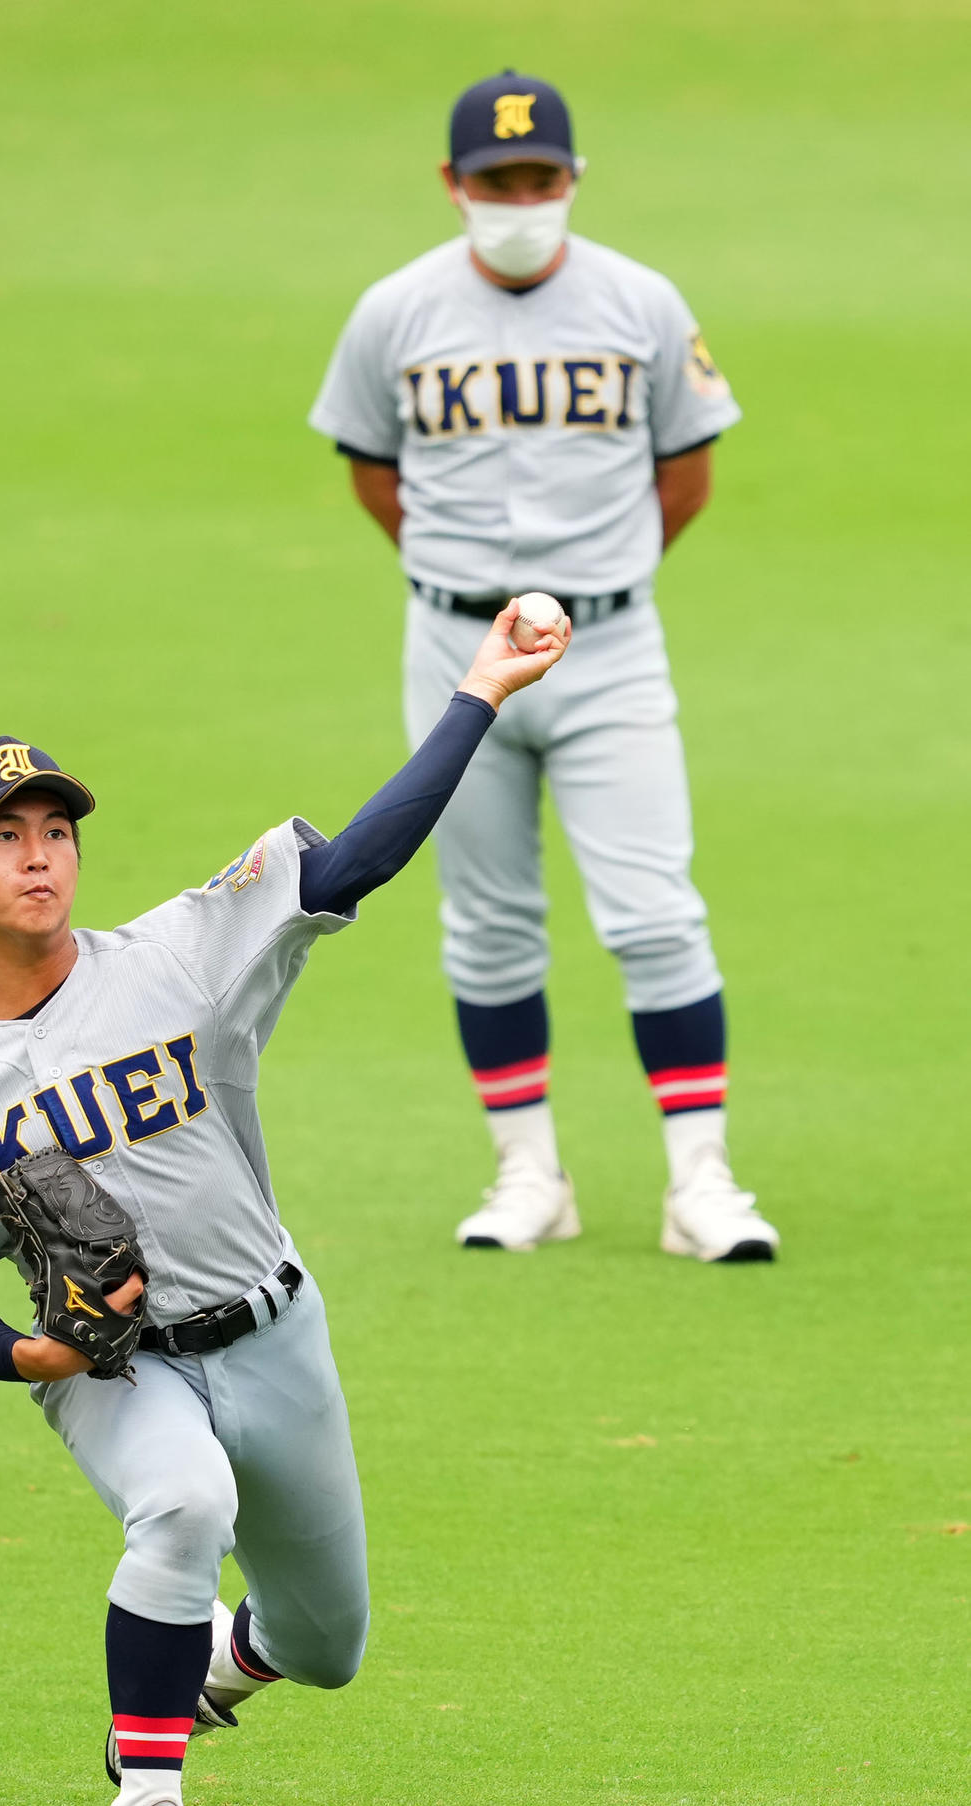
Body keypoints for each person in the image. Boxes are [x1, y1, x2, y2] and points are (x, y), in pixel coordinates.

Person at [0, 605, 569, 1806]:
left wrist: (479, 689)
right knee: (178, 1508)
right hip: (118, 1372)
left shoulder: (180, 956)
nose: (38, 857)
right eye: (2, 837)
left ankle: (210, 1672)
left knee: (327, 1643)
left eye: (55, 830)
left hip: (277, 1336)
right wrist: (37, 1354)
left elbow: (358, 859)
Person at [309, 69, 779, 1263]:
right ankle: (527, 1173)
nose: (519, 199)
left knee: (656, 913)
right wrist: (462, 590)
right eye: (495, 181)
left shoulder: (642, 303)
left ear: (573, 180)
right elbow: (371, 465)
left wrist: (597, 588)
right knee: (485, 922)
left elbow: (686, 469)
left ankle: (700, 1183)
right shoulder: (393, 312)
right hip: (454, 649)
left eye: (540, 179)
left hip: (610, 646)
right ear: (452, 184)